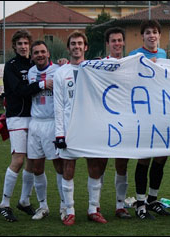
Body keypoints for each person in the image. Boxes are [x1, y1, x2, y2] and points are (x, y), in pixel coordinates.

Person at [0, 29, 53, 222]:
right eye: (19, 44)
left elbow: (50, 68)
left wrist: (61, 63)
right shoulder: (10, 66)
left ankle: (24, 201)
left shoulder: (33, 63)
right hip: (17, 118)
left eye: (25, 44)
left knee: (33, 161)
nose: (23, 47)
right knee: (18, 160)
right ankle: (4, 204)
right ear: (14, 46)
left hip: (34, 118)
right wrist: (42, 85)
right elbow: (19, 91)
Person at [54, 31, 108, 225]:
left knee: (95, 167)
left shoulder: (94, 69)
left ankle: (93, 209)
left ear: (86, 47)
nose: (76, 47)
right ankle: (69, 211)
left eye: (80, 44)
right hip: (69, 128)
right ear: (68, 48)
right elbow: (58, 106)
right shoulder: (60, 73)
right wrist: (59, 133)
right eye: (73, 44)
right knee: (68, 169)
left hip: (91, 127)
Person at [128, 19, 170, 220]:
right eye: (148, 32)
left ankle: (153, 199)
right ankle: (140, 203)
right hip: (143, 114)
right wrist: (145, 66)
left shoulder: (163, 55)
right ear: (142, 36)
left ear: (159, 36)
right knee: (144, 158)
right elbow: (126, 77)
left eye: (155, 32)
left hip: (162, 113)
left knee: (161, 157)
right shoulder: (134, 55)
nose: (152, 35)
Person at [26, 40, 63, 220]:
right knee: (37, 167)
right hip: (35, 123)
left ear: (48, 53)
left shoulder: (59, 70)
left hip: (52, 123)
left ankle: (64, 205)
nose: (39, 55)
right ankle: (43, 206)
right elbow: (25, 91)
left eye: (42, 52)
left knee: (59, 166)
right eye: (36, 53)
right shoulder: (31, 72)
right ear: (32, 56)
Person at [103, 27, 131, 219]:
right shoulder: (98, 65)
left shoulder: (131, 64)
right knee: (99, 164)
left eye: (120, 40)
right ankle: (94, 206)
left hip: (125, 121)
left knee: (122, 164)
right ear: (108, 44)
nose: (117, 43)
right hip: (103, 121)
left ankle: (120, 205)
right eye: (113, 40)